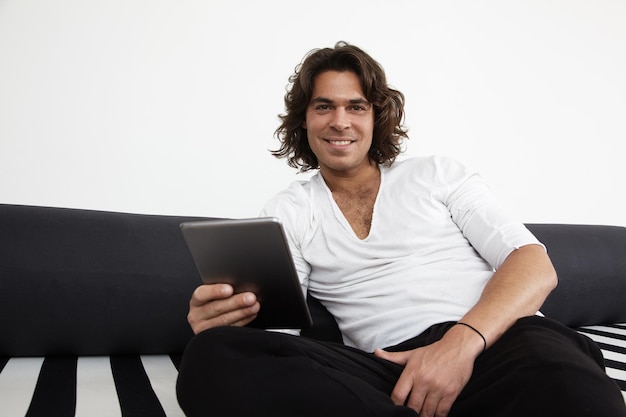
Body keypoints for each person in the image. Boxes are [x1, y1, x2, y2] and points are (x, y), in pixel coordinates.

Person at [176, 42, 626, 417]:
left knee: (573, 391)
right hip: (386, 372)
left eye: (356, 106)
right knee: (209, 360)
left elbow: (533, 263)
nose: (340, 121)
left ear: (376, 117)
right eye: (323, 106)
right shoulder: (287, 210)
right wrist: (222, 325)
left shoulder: (438, 174)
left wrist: (458, 346)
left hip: (499, 342)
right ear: (305, 120)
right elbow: (278, 338)